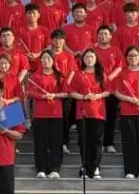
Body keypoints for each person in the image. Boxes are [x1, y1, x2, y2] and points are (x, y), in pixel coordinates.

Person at [114, 47, 139, 179]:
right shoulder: (122, 73)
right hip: (126, 112)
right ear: (126, 58)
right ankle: (130, 170)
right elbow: (117, 92)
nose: (133, 58)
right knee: (129, 142)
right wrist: (129, 99)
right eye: (130, 56)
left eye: (135, 55)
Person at [68, 48, 108, 179]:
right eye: (86, 57)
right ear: (83, 59)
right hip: (82, 112)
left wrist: (98, 95)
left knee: (97, 140)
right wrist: (84, 97)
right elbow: (71, 92)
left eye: (92, 57)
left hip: (98, 112)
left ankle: (95, 167)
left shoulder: (101, 74)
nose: (89, 59)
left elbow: (109, 91)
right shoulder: (78, 74)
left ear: (96, 59)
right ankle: (85, 166)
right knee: (84, 141)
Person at [26, 49, 66, 179]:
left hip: (56, 113)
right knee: (40, 142)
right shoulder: (35, 76)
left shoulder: (59, 76)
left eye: (48, 58)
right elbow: (29, 92)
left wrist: (54, 95)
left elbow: (67, 93)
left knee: (56, 142)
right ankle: (41, 168)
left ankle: (55, 168)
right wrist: (42, 96)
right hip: (40, 114)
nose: (45, 61)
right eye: (43, 58)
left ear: (53, 61)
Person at [92, 25, 124, 154]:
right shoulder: (93, 50)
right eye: (100, 34)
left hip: (112, 88)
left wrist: (111, 76)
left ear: (110, 36)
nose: (103, 36)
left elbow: (120, 66)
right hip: (96, 88)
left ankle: (109, 143)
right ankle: (98, 143)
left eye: (106, 34)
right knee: (98, 117)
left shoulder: (115, 50)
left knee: (111, 116)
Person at [49, 30, 78, 152]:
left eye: (61, 39)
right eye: (55, 39)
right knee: (52, 119)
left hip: (65, 91)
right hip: (51, 90)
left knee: (65, 118)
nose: (58, 41)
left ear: (64, 41)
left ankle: (64, 142)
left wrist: (67, 83)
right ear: (51, 40)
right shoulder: (48, 55)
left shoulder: (68, 56)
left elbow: (72, 71)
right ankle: (52, 143)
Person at [18, 4, 49, 72]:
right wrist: (26, 55)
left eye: (34, 13)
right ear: (26, 15)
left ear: (38, 15)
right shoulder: (20, 30)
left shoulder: (44, 30)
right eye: (29, 13)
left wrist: (38, 54)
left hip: (41, 65)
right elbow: (16, 47)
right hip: (24, 66)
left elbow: (49, 46)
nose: (31, 15)